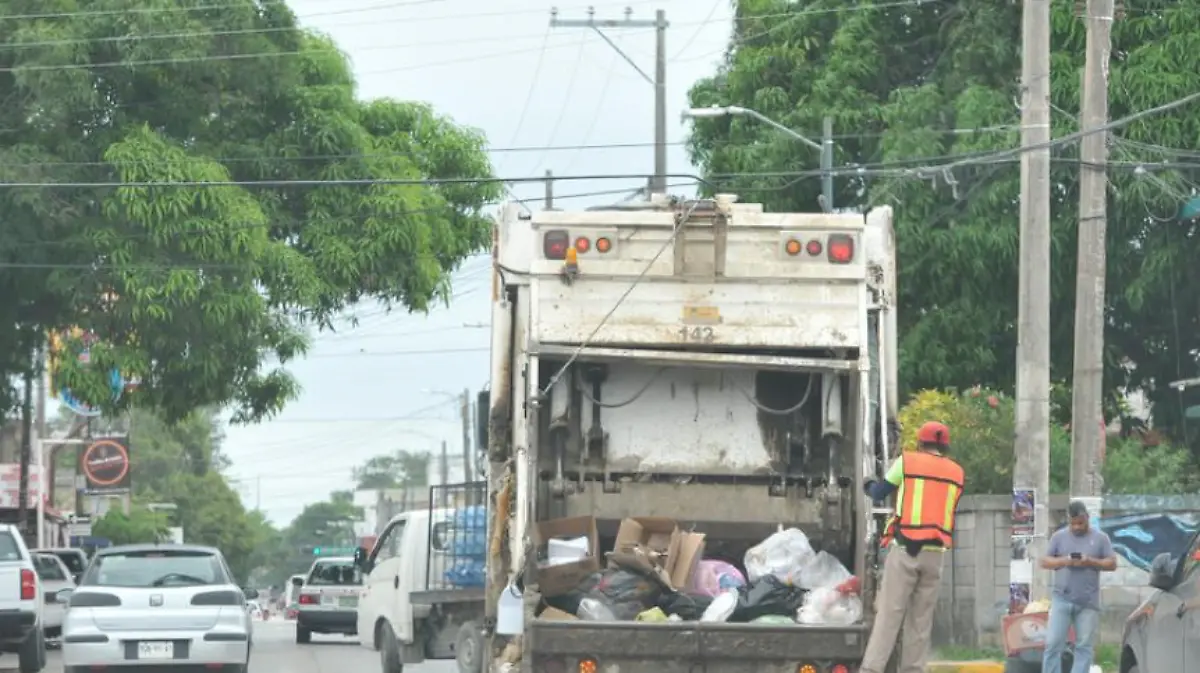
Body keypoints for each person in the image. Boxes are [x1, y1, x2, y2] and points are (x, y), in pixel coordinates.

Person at [859, 421, 965, 673]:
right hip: (935, 555)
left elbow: (879, 492)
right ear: (945, 446)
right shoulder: (957, 473)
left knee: (889, 614)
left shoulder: (907, 462)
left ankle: (871, 669)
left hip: (906, 550)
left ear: (920, 442)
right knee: (920, 620)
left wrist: (867, 484)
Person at [1041, 500, 1116, 673]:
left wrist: (1089, 561)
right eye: (1073, 523)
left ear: (1087, 518)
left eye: (1080, 523)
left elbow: (1112, 563)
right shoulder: (1058, 537)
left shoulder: (1100, 538)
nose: (1076, 527)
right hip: (1062, 598)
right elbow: (1045, 561)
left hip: (1088, 602)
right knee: (1053, 644)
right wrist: (1065, 560)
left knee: (1084, 646)